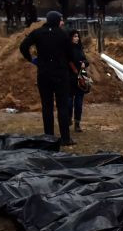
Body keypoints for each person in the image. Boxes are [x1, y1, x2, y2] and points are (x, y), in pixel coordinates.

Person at [18, 10, 77, 145]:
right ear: (57, 21)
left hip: (44, 74)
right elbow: (71, 55)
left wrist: (32, 59)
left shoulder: (38, 33)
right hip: (61, 74)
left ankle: (49, 137)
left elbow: (23, 46)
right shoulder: (63, 34)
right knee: (62, 106)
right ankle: (65, 138)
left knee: (47, 106)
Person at [66, 28, 88, 133]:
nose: (77, 38)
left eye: (77, 36)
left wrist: (84, 63)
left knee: (79, 102)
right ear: (70, 37)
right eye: (74, 36)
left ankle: (77, 123)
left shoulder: (80, 48)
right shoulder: (66, 49)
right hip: (70, 78)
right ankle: (69, 118)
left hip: (80, 78)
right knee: (69, 101)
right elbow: (66, 62)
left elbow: (86, 60)